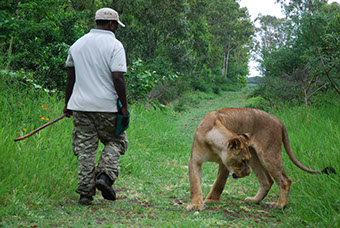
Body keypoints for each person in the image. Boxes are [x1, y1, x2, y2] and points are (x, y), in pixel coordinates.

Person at [64, 8, 129, 205]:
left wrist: (67, 105)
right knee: (117, 141)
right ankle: (105, 177)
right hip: (107, 107)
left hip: (81, 107)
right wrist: (124, 106)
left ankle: (85, 193)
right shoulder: (115, 46)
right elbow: (118, 76)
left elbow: (70, 77)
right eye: (116, 25)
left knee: (86, 149)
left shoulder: (78, 44)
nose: (116, 28)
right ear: (110, 24)